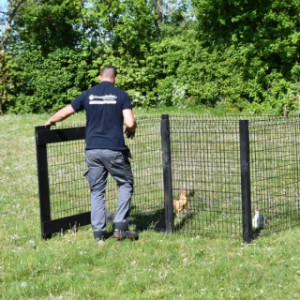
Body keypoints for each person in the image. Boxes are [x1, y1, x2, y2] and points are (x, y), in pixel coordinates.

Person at [45, 65, 138, 243]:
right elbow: (130, 121)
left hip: (92, 150)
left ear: (99, 77)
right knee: (125, 183)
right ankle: (120, 225)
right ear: (115, 79)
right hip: (114, 149)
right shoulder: (121, 95)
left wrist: (51, 120)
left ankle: (99, 235)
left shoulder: (88, 94)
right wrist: (132, 129)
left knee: (97, 191)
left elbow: (67, 111)